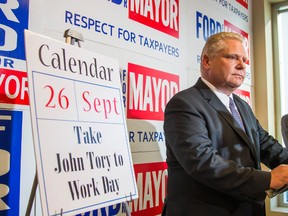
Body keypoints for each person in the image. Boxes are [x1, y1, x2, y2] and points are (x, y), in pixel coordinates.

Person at [161, 32, 288, 216]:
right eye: (232, 57)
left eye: (244, 60)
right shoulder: (184, 103)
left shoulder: (241, 105)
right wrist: (268, 179)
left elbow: (266, 145)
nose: (242, 65)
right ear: (206, 61)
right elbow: (202, 162)